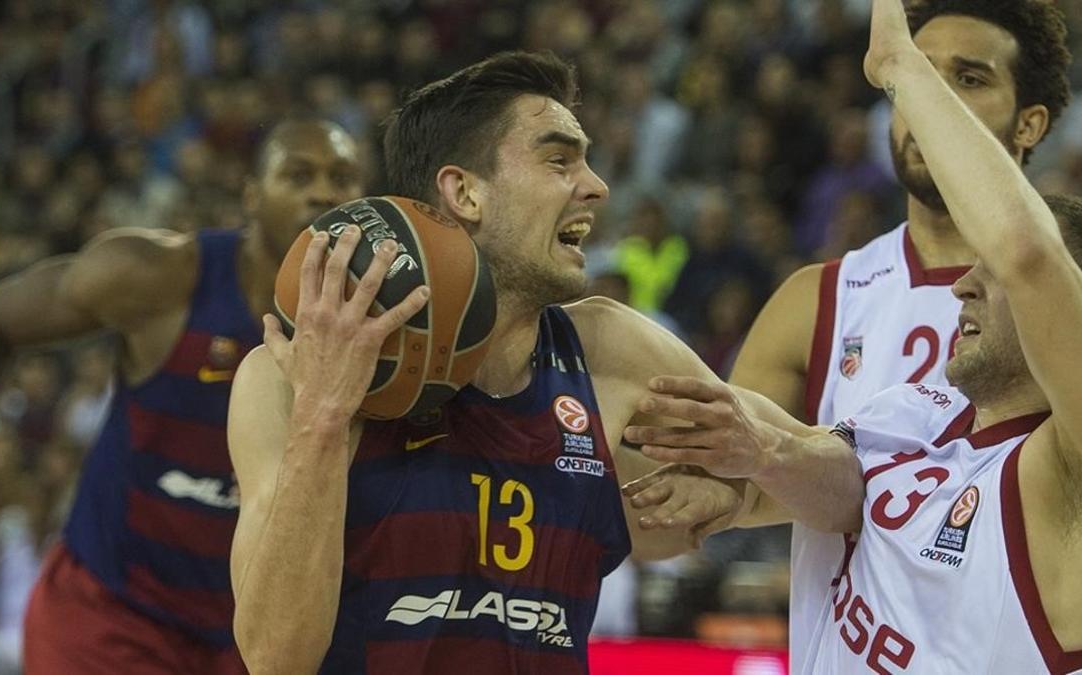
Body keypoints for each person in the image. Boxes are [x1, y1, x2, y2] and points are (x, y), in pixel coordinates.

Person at [226, 51, 748, 675]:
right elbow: (274, 658)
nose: (597, 186)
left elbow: (819, 466)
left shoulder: (612, 353)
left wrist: (741, 487)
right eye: (560, 160)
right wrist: (323, 415)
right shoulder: (286, 378)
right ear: (465, 192)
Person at [622, 0, 1082, 671]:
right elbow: (746, 474)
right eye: (921, 81)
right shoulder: (856, 338)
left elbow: (1030, 258)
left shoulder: (1063, 299)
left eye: (965, 80)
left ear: (1030, 121)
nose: (928, 103)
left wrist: (899, 62)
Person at [0, 118, 365, 673]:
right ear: (250, 194)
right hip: (110, 615)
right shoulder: (163, 277)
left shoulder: (388, 328)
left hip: (252, 637)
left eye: (343, 177)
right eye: (298, 174)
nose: (323, 192)